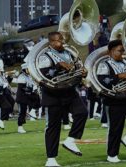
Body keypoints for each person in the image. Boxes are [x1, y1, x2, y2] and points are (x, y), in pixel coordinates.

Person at [38, 32, 88, 167]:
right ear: (51, 43)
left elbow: (77, 69)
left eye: (62, 39)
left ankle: (71, 140)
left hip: (69, 90)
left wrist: (83, 72)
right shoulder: (44, 56)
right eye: (59, 40)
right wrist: (58, 65)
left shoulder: (69, 53)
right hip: (52, 93)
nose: (62, 41)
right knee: (53, 127)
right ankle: (51, 159)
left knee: (82, 112)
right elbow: (46, 75)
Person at [16, 63, 40, 133]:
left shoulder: (29, 76)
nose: (29, 70)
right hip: (22, 97)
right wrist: (31, 90)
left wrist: (34, 89)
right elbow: (22, 87)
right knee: (22, 112)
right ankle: (20, 127)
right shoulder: (21, 76)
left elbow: (33, 85)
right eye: (28, 69)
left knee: (37, 98)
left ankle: (32, 111)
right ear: (24, 69)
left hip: (27, 95)